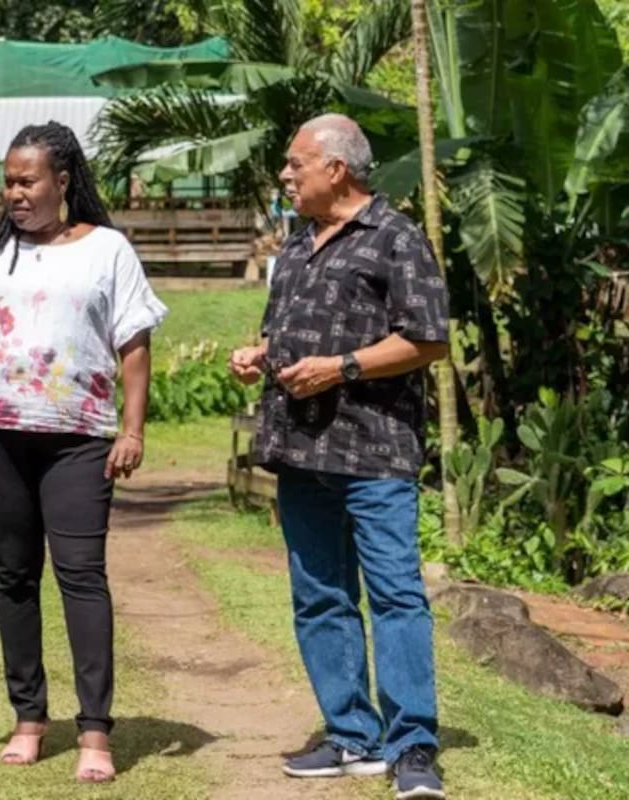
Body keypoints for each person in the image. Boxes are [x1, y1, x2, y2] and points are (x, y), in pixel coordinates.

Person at [0, 121, 167, 784]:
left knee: (81, 575)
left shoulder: (107, 249)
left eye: (26, 181)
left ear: (62, 181)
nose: (14, 192)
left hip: (78, 440)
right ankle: (28, 718)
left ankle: (94, 730)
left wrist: (132, 430)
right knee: (13, 575)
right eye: (7, 181)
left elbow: (134, 345)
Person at [230, 114, 449, 800]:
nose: (285, 175)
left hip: (374, 451)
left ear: (337, 168)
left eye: (296, 163)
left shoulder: (397, 238)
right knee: (320, 596)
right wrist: (262, 353)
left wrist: (342, 367)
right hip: (300, 450)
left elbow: (429, 339)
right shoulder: (297, 244)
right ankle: (351, 735)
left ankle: (412, 746)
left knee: (395, 596)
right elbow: (294, 330)